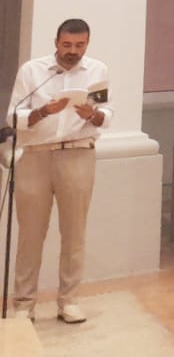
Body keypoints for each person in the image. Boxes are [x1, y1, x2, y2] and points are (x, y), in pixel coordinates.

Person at [6, 19, 109, 324]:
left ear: (87, 44)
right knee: (30, 234)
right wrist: (42, 112)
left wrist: (93, 114)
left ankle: (69, 302)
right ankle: (24, 304)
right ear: (56, 43)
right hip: (35, 156)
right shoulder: (32, 71)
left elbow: (106, 113)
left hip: (78, 154)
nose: (72, 51)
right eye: (67, 45)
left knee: (74, 232)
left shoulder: (97, 71)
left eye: (79, 45)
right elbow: (13, 116)